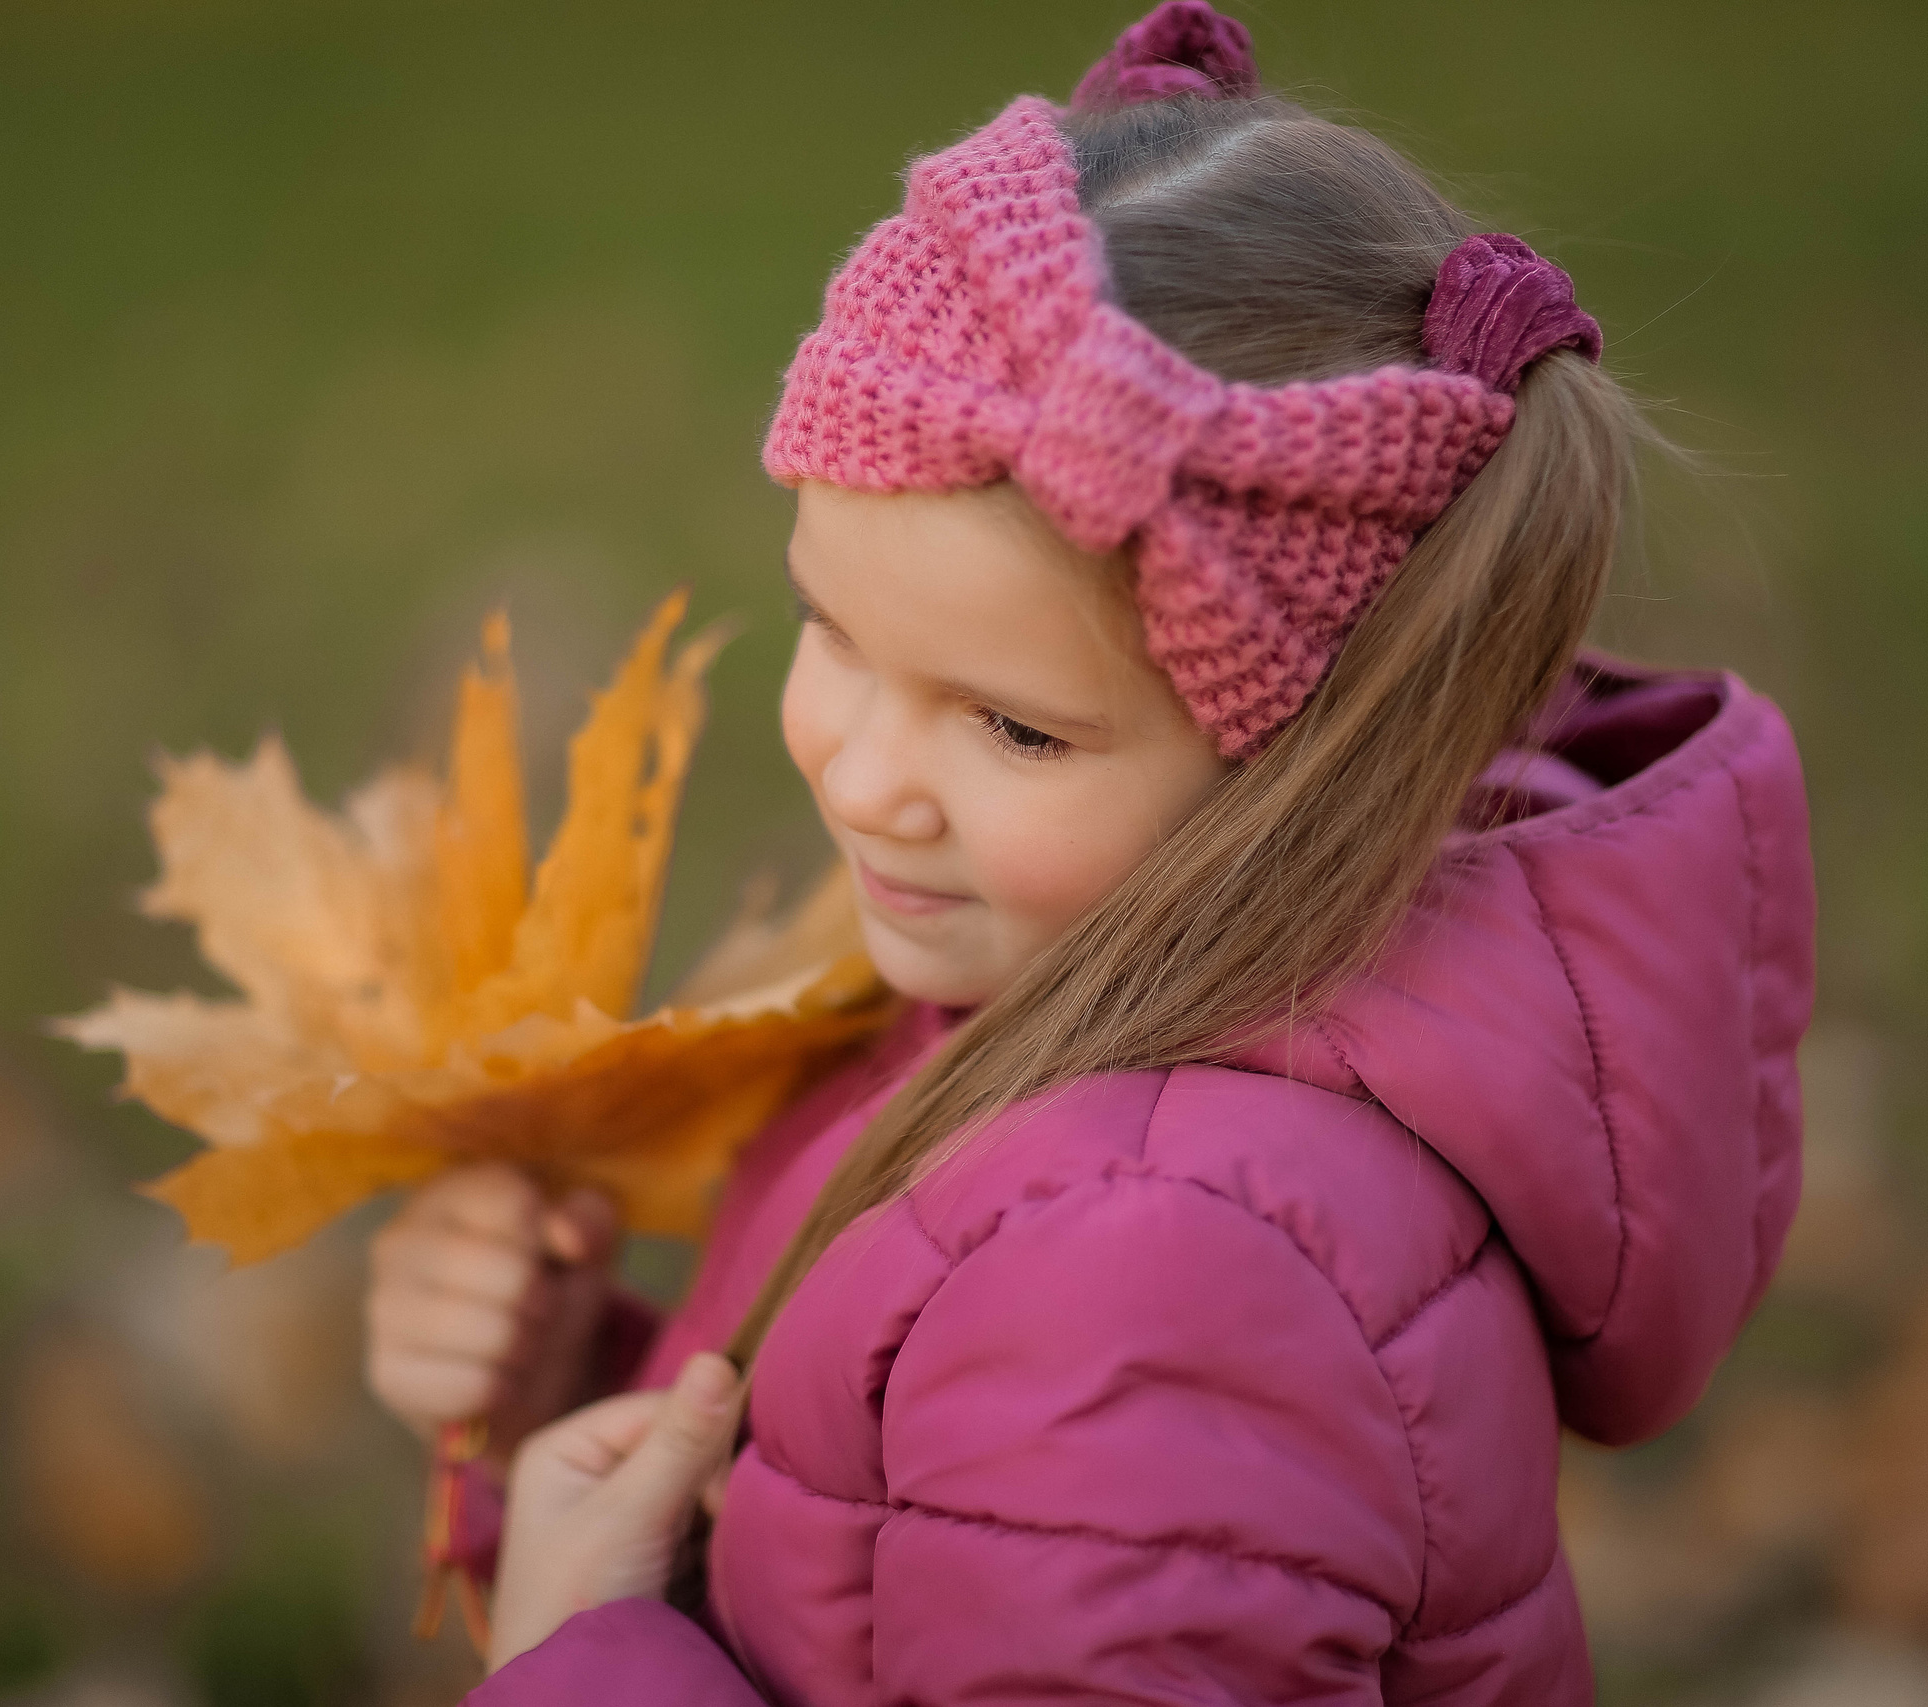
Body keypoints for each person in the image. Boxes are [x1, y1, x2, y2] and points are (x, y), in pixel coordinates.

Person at [364, 4, 1815, 1700]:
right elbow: (912, 1537)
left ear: (1305, 770)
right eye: (832, 629)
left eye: (1014, 729)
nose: (867, 780)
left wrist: (575, 1655)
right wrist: (567, 1404)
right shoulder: (1067, 1012)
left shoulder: (1155, 1278)